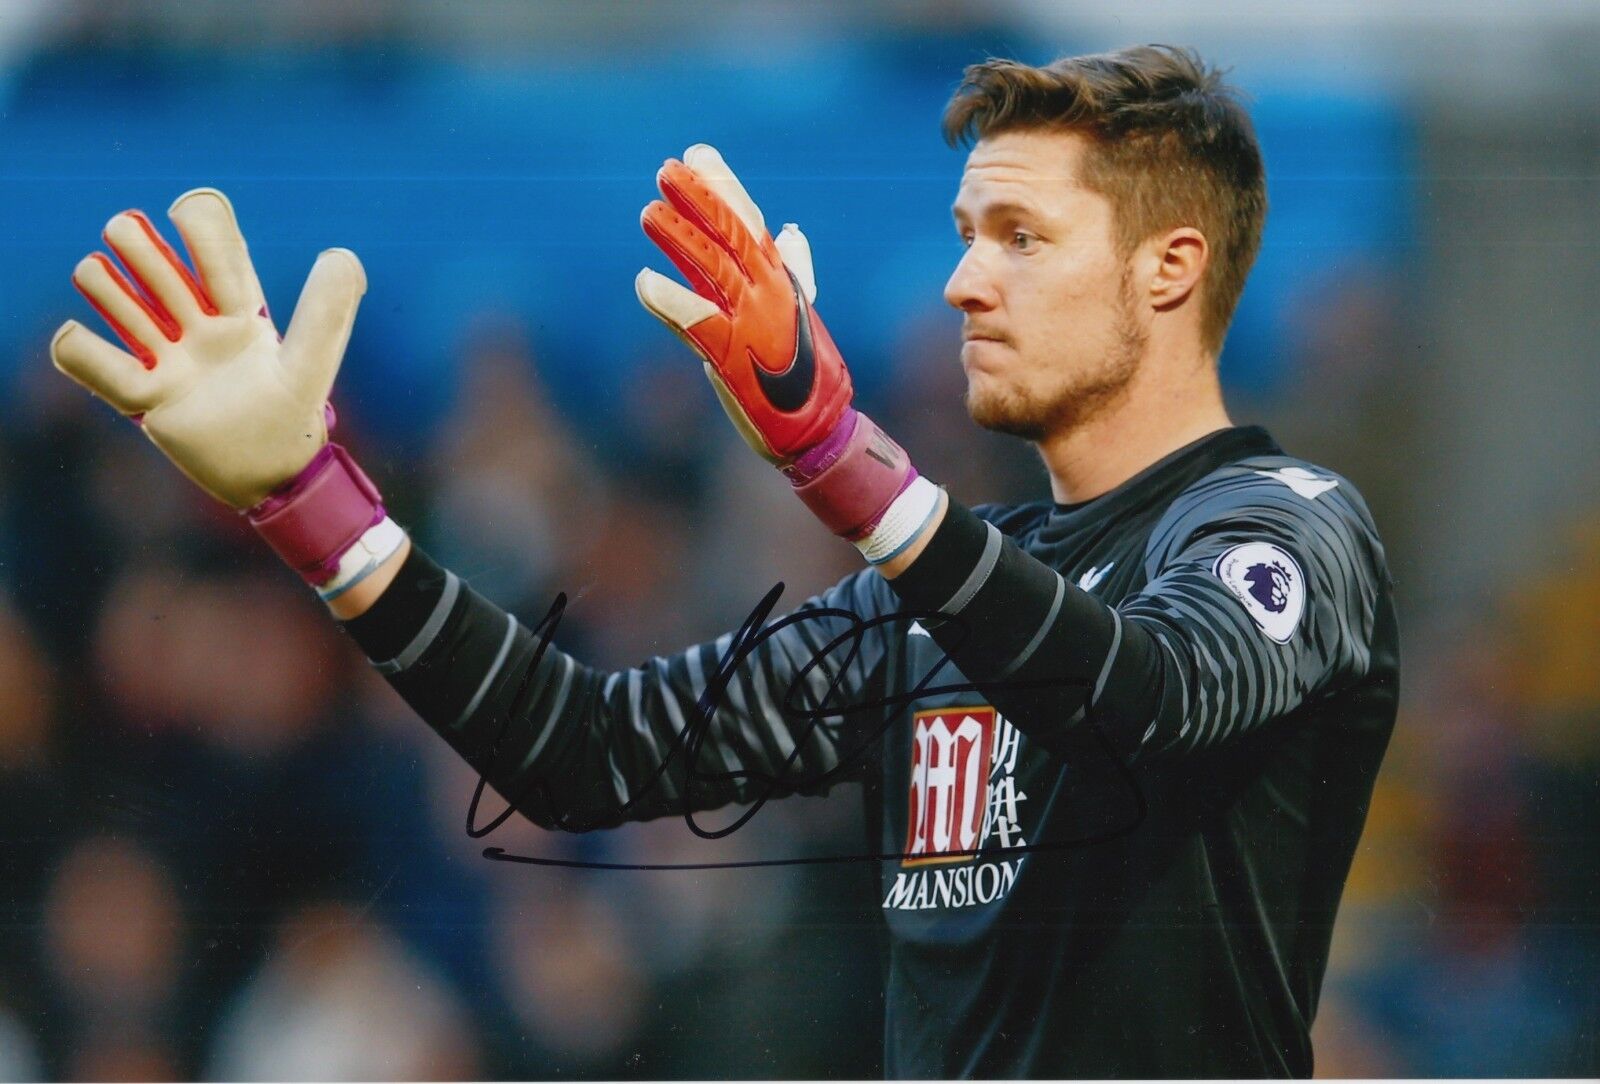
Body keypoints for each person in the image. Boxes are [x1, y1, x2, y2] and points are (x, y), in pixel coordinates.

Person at [50, 43, 1399, 1079]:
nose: (962, 283)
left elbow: (1146, 700)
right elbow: (588, 751)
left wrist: (848, 469)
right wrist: (317, 506)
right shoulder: (937, 597)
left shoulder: (1283, 526)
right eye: (965, 235)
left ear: (1171, 267)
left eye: (1022, 239)